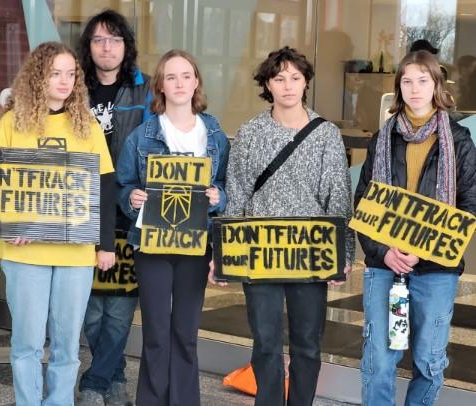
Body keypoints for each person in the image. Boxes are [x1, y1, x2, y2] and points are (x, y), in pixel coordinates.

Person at [221, 46, 354, 406]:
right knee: (265, 342)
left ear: (306, 81)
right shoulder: (250, 133)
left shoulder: (325, 133)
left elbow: (339, 198)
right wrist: (223, 256)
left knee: (307, 344)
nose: (288, 86)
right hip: (259, 250)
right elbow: (236, 195)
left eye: (295, 77)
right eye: (279, 78)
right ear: (267, 84)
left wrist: (342, 253)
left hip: (310, 252)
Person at [0, 41, 116, 406]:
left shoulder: (87, 125)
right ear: (37, 77)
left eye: (70, 74)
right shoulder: (11, 122)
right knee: (27, 342)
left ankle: (60, 402)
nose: (64, 81)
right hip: (24, 250)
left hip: (75, 250)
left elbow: (104, 185)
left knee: (66, 342)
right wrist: (10, 224)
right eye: (54, 73)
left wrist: (105, 243)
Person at [355, 50, 476, 405]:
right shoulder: (382, 139)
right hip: (384, 266)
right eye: (407, 81)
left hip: (436, 268)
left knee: (429, 359)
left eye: (423, 80)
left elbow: (469, 204)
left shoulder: (458, 141)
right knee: (378, 359)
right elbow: (364, 202)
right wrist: (383, 252)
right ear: (398, 88)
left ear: (437, 86)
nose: (415, 88)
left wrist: (426, 246)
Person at [117, 49, 229, 406]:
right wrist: (131, 198)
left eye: (185, 76)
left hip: (196, 244)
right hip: (152, 244)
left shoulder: (214, 134)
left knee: (185, 332)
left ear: (196, 82)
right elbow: (124, 186)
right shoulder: (142, 135)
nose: (179, 83)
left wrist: (219, 196)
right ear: (160, 86)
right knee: (155, 332)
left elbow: (228, 186)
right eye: (170, 77)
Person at [76, 9, 151, 405]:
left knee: (119, 305)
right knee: (90, 305)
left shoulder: (144, 89)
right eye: (99, 40)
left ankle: (96, 381)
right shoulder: (74, 88)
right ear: (89, 47)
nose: (107, 47)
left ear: (127, 46)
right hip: (80, 204)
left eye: (115, 39)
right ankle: (114, 374)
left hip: (126, 204)